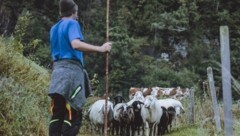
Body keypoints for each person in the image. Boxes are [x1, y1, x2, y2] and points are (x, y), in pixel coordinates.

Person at [48, 0, 112, 135]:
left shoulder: (54, 28)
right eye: (77, 12)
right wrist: (100, 49)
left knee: (58, 114)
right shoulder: (72, 23)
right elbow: (76, 44)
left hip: (57, 74)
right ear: (74, 11)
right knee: (73, 113)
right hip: (71, 74)